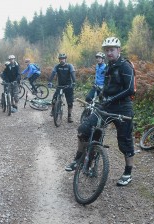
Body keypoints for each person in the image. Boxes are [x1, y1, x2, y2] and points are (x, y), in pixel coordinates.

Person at [65, 37, 135, 187]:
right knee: (85, 129)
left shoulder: (125, 66)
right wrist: (102, 95)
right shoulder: (109, 66)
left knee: (125, 142)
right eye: (107, 50)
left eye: (112, 50)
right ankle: (79, 159)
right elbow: (108, 85)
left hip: (123, 107)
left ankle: (128, 172)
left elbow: (130, 89)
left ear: (118, 50)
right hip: (107, 106)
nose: (109, 53)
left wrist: (111, 98)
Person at [48, 53, 76, 123]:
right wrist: (50, 81)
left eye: (63, 58)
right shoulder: (57, 66)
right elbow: (53, 73)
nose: (61, 60)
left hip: (68, 86)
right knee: (54, 99)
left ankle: (69, 116)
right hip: (60, 86)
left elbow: (73, 74)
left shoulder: (69, 66)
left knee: (70, 102)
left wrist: (74, 82)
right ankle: (53, 110)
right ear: (59, 60)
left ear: (65, 59)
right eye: (60, 59)